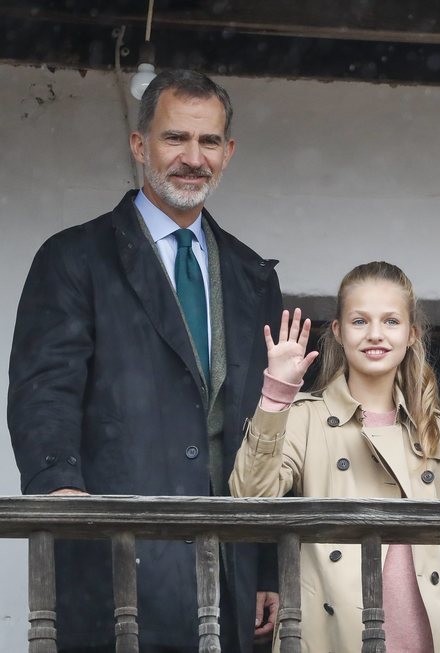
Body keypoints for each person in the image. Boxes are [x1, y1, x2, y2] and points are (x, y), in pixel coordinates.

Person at [8, 70, 282, 652]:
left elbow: (268, 425)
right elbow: (44, 390)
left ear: (228, 153)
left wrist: (267, 568)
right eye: (174, 138)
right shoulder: (74, 258)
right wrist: (58, 492)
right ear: (139, 145)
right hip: (115, 561)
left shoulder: (253, 276)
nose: (193, 157)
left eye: (209, 142)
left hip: (228, 570)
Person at [230, 261, 440, 652]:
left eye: (391, 322)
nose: (375, 335)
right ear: (338, 331)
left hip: (431, 633)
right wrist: (277, 395)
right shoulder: (305, 417)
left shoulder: (435, 428)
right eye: (360, 321)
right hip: (334, 635)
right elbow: (249, 498)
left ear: (412, 334)